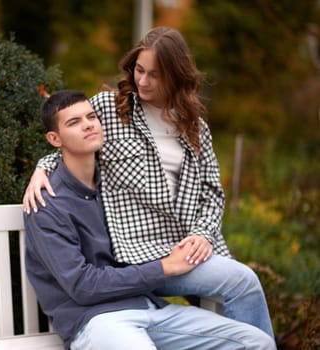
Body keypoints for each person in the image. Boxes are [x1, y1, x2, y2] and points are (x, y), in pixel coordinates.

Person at [23, 27, 275, 338]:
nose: (143, 81)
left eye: (154, 75)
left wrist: (202, 233)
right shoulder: (109, 108)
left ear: (176, 76)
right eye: (139, 70)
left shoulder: (195, 127)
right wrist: (42, 167)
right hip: (133, 253)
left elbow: (212, 193)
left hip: (183, 245)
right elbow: (73, 132)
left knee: (244, 281)